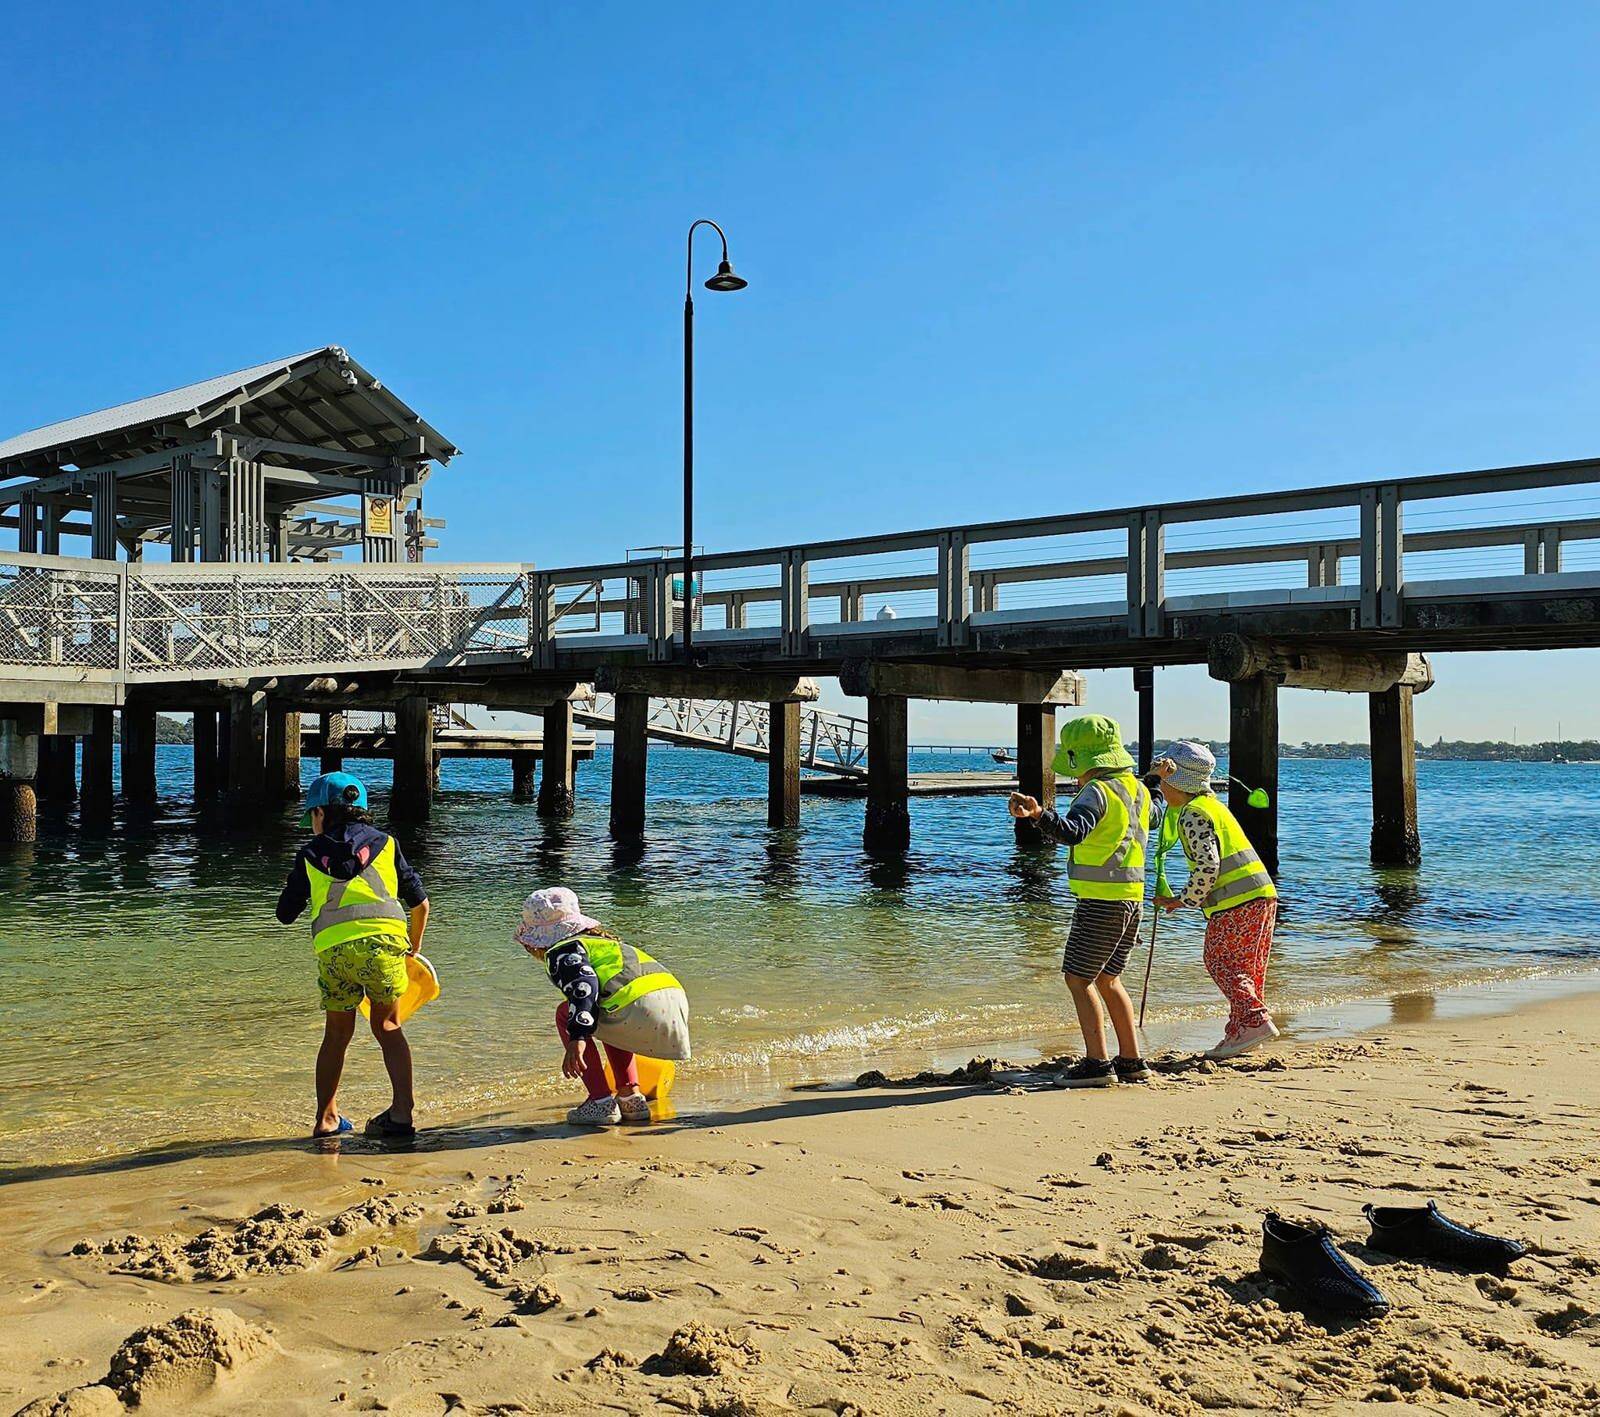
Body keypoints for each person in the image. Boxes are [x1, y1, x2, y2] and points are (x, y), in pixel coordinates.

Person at [277, 771, 430, 1139]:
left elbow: (284, 914)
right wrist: (413, 946)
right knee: (388, 1027)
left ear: (320, 814)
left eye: (311, 816)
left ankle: (327, 1118)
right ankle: (401, 1114)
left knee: (336, 1034)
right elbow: (421, 904)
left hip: (335, 952)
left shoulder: (310, 854)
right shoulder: (389, 845)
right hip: (385, 947)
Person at [1009, 713, 1152, 1088]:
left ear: (1083, 761)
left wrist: (1039, 815)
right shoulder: (1137, 789)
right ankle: (1131, 1059)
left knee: (1078, 978)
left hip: (1101, 901)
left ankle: (1097, 1063)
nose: (1074, 777)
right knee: (1109, 979)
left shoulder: (1097, 792)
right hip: (1132, 898)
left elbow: (1073, 833)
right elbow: (1149, 820)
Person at [514, 887, 691, 1127]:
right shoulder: (602, 944)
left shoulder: (561, 952)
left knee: (566, 1013)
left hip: (638, 1006)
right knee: (607, 1009)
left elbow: (584, 987)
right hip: (673, 1002)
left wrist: (577, 1037)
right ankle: (630, 1097)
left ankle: (600, 1101)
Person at [1151, 741, 1279, 1059]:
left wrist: (1184, 900)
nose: (1160, 787)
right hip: (1261, 895)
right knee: (1248, 969)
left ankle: (1254, 1019)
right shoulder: (1213, 805)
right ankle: (1241, 1031)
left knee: (1220, 962)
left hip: (1235, 902)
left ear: (1176, 782)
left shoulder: (1192, 814)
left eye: (1163, 780)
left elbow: (1209, 866)